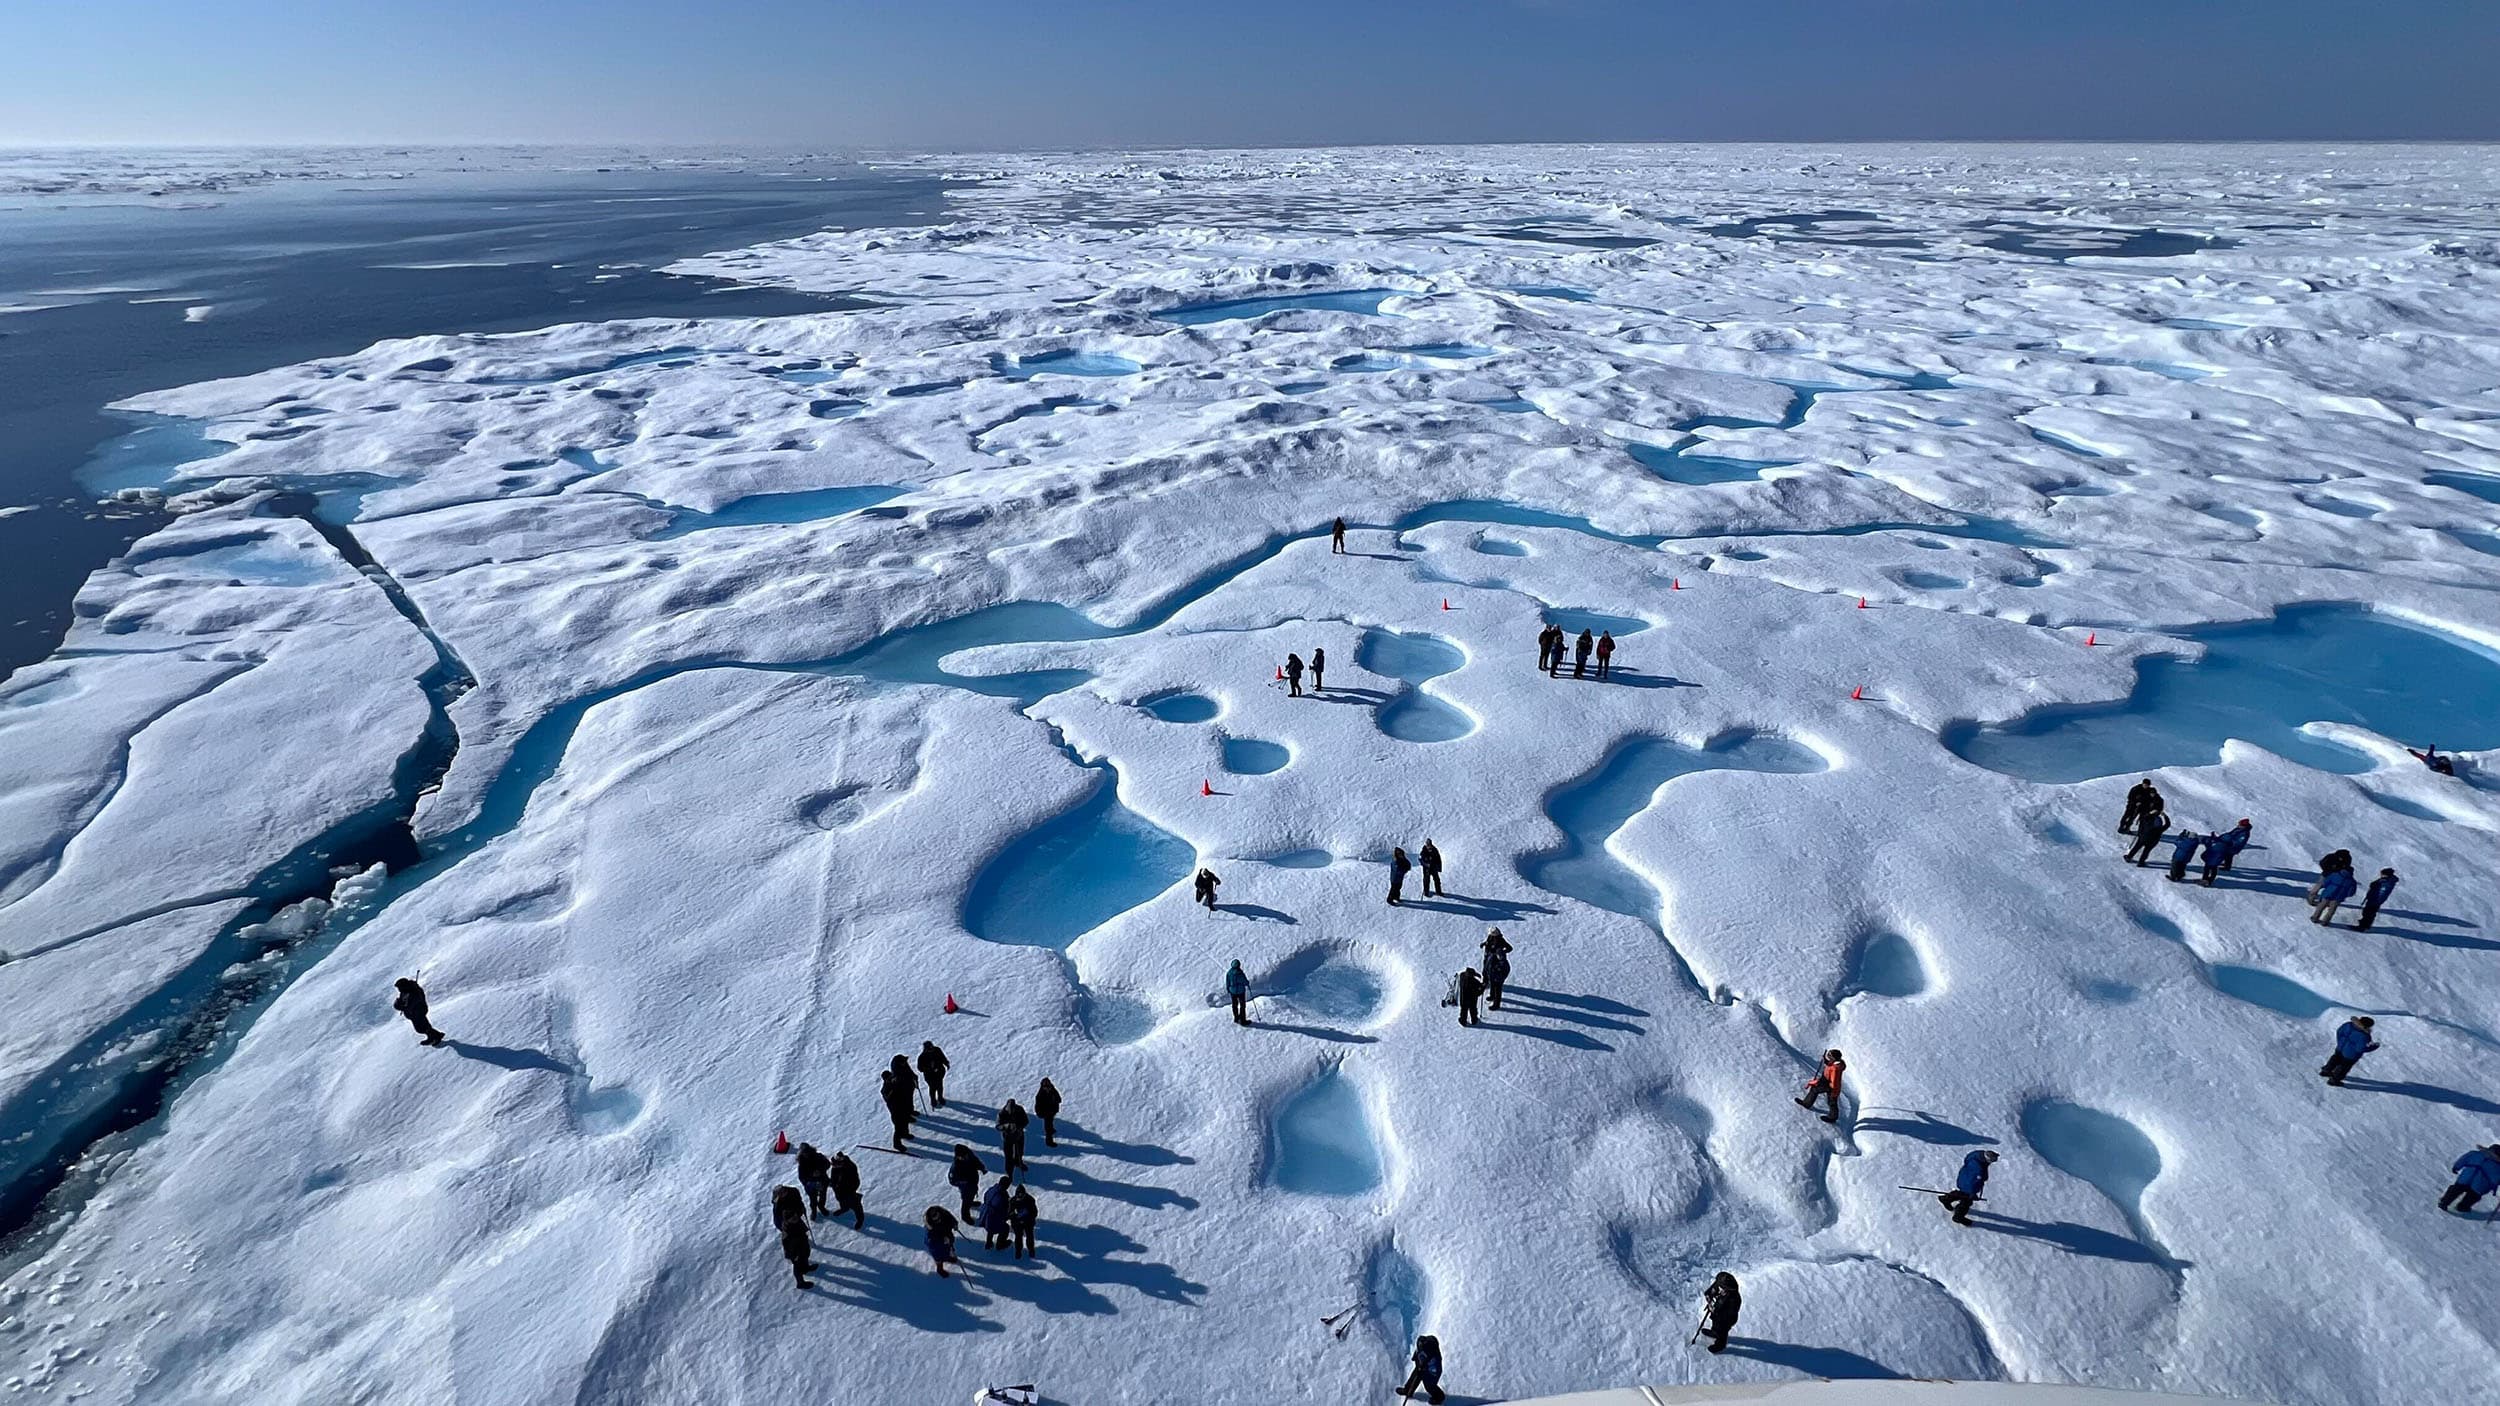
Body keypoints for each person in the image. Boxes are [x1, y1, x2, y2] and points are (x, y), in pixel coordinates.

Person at [1940, 1149, 1997, 1224]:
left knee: (1962, 1193)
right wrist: (1972, 1193)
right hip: (1969, 1184)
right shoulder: (1978, 1169)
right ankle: (1958, 1216)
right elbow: (1973, 1182)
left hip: (1964, 1178)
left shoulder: (1976, 1156)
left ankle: (1946, 1199)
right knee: (1966, 1201)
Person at [2440, 1145, 2500, 1214]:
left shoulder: (2475, 1154)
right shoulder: (2497, 1167)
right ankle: (2462, 1207)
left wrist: (2457, 1166)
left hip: (2465, 1178)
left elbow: (2464, 1159)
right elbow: (2496, 1179)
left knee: (2455, 1190)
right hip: (2479, 1185)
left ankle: (2445, 1201)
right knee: (2472, 1197)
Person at [2319, 1015, 2377, 1086]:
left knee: (2335, 1059)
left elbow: (2339, 1032)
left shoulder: (2348, 1025)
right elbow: (2360, 1049)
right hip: (2350, 1055)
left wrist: (2340, 1042)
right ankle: (2334, 1080)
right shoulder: (2364, 1036)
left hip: (2340, 1048)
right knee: (2343, 1067)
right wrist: (2374, 1047)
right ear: (2367, 1026)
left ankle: (2325, 1071)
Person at [774, 1185, 813, 1289]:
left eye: (796, 1217)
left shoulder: (796, 1222)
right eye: (793, 1218)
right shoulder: (787, 1231)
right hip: (795, 1251)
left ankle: (806, 1268)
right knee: (797, 1266)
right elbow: (786, 1245)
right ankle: (800, 1282)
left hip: (802, 1245)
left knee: (805, 1256)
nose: (796, 1218)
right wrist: (793, 1256)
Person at [1795, 1049, 1846, 1123]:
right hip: (1828, 1084)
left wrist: (1833, 1091)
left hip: (1830, 1086)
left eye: (1829, 1056)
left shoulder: (1835, 1069)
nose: (1828, 1057)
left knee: (1831, 1100)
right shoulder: (1837, 1064)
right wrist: (1826, 1060)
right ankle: (1832, 1116)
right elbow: (1830, 1064)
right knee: (1819, 1092)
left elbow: (1834, 1081)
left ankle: (1832, 1117)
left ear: (1834, 1058)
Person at [391, 978, 445, 1047]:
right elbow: (402, 1002)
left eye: (399, 987)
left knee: (422, 1027)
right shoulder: (405, 991)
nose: (398, 989)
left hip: (418, 1011)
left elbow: (411, 1004)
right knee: (421, 1027)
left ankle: (435, 1037)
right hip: (413, 1013)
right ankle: (436, 1035)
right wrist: (398, 1004)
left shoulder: (414, 991)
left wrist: (401, 1006)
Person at [881, 1058, 917, 1151]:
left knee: (905, 1122)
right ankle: (897, 1144)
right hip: (895, 1110)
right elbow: (888, 1099)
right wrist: (893, 1089)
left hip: (903, 1106)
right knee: (898, 1127)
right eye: (890, 1078)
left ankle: (905, 1134)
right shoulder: (885, 1089)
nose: (892, 1079)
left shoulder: (896, 1083)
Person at [1699, 1273, 1741, 1353]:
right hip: (1716, 1315)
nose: (1720, 1289)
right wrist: (1709, 1299)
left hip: (1726, 1320)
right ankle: (1714, 1332)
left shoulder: (1734, 1299)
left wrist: (1714, 1310)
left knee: (1722, 1331)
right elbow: (1711, 1291)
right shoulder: (1719, 1284)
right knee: (1715, 1324)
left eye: (1722, 1288)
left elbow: (1729, 1314)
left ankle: (1720, 1344)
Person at [1398, 1335, 1445, 1403]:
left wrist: (1424, 1368)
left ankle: (1439, 1397)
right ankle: (1408, 1390)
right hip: (1421, 1367)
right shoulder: (1422, 1347)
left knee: (1429, 1386)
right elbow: (1418, 1353)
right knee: (1414, 1377)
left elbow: (1434, 1368)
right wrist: (1417, 1360)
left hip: (1431, 1373)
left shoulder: (1434, 1357)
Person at [948, 1144, 986, 1222]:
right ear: (958, 1157)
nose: (966, 1157)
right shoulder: (956, 1166)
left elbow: (975, 1160)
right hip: (966, 1187)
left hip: (973, 1181)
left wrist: (981, 1167)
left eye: (966, 1155)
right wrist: (964, 1183)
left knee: (971, 1196)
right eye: (963, 1157)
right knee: (966, 1201)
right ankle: (965, 1216)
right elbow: (952, 1181)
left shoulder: (968, 1154)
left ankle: (971, 1202)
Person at [828, 1149, 865, 1230]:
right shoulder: (835, 1167)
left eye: (835, 1165)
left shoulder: (850, 1167)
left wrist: (849, 1190)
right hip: (839, 1190)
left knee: (856, 1206)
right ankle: (844, 1208)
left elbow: (855, 1182)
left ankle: (860, 1220)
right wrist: (833, 1184)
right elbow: (833, 1178)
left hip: (849, 1190)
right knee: (841, 1200)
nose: (833, 1166)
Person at [796, 1142, 833, 1217]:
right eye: (804, 1152)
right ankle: (814, 1211)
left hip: (822, 1180)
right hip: (811, 1185)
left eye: (807, 1151)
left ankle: (821, 1207)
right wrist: (810, 1179)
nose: (806, 1154)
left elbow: (828, 1164)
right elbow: (802, 1177)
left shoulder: (818, 1156)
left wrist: (820, 1170)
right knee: (813, 1199)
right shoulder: (802, 1163)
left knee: (823, 1196)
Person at [925, 1205, 961, 1277]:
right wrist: (943, 1240)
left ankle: (947, 1257)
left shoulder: (943, 1214)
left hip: (948, 1237)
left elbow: (951, 1218)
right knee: (939, 1256)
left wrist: (954, 1224)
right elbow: (931, 1241)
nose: (938, 1219)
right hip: (937, 1246)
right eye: (935, 1218)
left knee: (949, 1250)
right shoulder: (930, 1229)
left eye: (937, 1215)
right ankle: (939, 1269)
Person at [999, 1098, 1031, 1176]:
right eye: (1010, 1111)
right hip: (1007, 1137)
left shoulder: (1020, 1109)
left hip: (1019, 1135)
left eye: (1012, 1110)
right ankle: (1009, 1172)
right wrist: (1007, 1126)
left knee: (1019, 1151)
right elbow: (998, 1126)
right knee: (1008, 1155)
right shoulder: (1002, 1113)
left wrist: (1018, 1127)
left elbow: (1026, 1121)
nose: (1011, 1112)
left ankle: (1018, 1162)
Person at [982, 1175, 1014, 1252]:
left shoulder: (992, 1189)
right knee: (1005, 1228)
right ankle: (1000, 1244)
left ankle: (988, 1243)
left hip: (986, 1214)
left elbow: (985, 1196)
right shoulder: (1002, 1198)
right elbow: (1003, 1213)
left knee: (990, 1228)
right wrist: (1009, 1216)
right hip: (994, 1217)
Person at [1008, 1183, 1039, 1259]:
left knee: (1030, 1236)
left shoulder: (1030, 1200)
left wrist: (1027, 1217)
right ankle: (1018, 1251)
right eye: (1018, 1196)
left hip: (1028, 1222)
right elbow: (1009, 1213)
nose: (1019, 1197)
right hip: (1017, 1223)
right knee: (1018, 1237)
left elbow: (1035, 1213)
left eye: (1021, 1196)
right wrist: (1015, 1216)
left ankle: (1031, 1250)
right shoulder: (1013, 1201)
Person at [917, 1040, 951, 1109]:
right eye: (929, 1049)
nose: (931, 1050)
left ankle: (940, 1098)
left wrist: (946, 1063)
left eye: (931, 1048)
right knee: (933, 1088)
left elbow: (942, 1057)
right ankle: (933, 1100)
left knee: (940, 1086)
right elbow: (920, 1068)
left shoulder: (937, 1050)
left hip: (939, 1073)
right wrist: (929, 1068)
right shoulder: (922, 1057)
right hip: (930, 1076)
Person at [1035, 1077, 1063, 1146]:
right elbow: (1038, 1105)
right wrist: (1040, 1112)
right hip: (1046, 1113)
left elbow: (1059, 1099)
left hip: (1052, 1111)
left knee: (1051, 1122)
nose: (1047, 1088)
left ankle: (1052, 1129)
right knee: (1048, 1127)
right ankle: (1049, 1142)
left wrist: (1054, 1100)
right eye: (1045, 1087)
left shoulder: (1053, 1091)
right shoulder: (1040, 1095)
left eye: (1048, 1086)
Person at [1483, 946, 1510, 1011]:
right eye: (1498, 955)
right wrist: (1485, 973)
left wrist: (1499, 978)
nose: (1499, 957)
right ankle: (1492, 996)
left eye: (1500, 955)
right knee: (1492, 987)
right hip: (1492, 977)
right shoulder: (1493, 957)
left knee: (1497, 991)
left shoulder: (1504, 963)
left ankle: (1496, 1004)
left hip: (1498, 980)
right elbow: (1487, 965)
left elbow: (1505, 973)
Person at [1226, 958, 1250, 1025]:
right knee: (1242, 1005)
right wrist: (1247, 983)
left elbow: (1227, 982)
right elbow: (1245, 982)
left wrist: (1228, 989)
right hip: (1240, 991)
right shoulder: (1240, 973)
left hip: (1232, 991)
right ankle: (1243, 1020)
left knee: (1234, 1005)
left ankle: (1236, 1018)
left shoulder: (1229, 973)